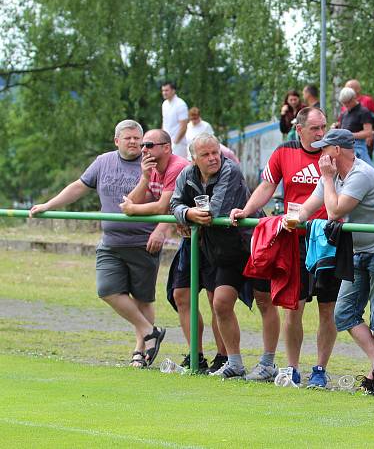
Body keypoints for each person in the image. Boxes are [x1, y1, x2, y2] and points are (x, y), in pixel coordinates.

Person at [30, 120, 166, 369]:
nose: (135, 142)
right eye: (129, 138)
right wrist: (48, 205)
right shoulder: (103, 162)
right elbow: (78, 187)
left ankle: (140, 351)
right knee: (107, 290)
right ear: (117, 141)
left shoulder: (153, 164)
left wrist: (161, 229)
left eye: (138, 138)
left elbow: (169, 200)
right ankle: (150, 331)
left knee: (143, 299)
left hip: (143, 243)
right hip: (111, 242)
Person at [285, 129, 374, 396]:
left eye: (324, 149)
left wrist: (327, 178)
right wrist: (293, 218)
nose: (320, 154)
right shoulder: (332, 177)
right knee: (344, 313)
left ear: (337, 151)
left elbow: (335, 210)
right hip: (358, 251)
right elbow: (311, 204)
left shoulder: (360, 173)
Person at [229, 107, 339, 387]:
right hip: (295, 239)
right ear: (299, 130)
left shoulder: (334, 152)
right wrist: (247, 209)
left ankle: (319, 370)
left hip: (328, 237)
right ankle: (291, 369)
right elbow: (267, 185)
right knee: (294, 307)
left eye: (323, 127)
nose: (320, 133)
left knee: (328, 308)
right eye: (315, 128)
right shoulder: (283, 152)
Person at [118, 130, 221, 370]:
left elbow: (164, 205)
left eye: (149, 145)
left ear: (167, 147)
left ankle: (223, 357)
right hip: (189, 240)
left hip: (209, 240)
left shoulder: (178, 167)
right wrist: (144, 179)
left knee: (216, 299)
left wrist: (159, 227)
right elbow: (128, 204)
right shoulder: (151, 168)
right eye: (143, 145)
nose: (143, 149)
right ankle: (196, 356)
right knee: (181, 295)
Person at [170, 133, 255, 378]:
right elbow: (174, 204)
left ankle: (266, 363)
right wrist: (186, 215)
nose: (213, 158)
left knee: (264, 302)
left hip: (241, 246)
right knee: (220, 302)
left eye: (215, 152)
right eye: (206, 154)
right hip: (211, 247)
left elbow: (213, 212)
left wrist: (189, 216)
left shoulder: (231, 171)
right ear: (193, 158)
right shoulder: (186, 174)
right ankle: (234, 363)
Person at [337, 86, 374, 166]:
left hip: (359, 148)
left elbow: (368, 132)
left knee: (368, 171)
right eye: (344, 103)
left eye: (348, 102)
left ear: (354, 98)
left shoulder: (364, 112)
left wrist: (349, 135)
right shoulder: (344, 113)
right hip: (344, 147)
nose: (346, 105)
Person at [161, 81, 190, 158]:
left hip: (178, 144)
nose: (164, 93)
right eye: (163, 90)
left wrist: (175, 143)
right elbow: (164, 123)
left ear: (173, 91)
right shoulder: (164, 104)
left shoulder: (180, 104)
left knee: (179, 168)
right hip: (166, 143)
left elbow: (183, 127)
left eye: (166, 90)